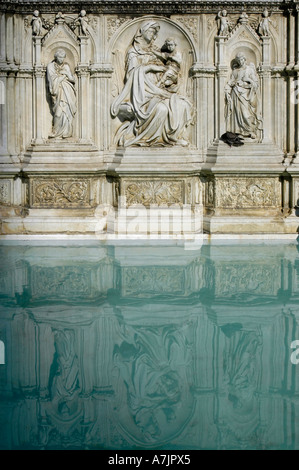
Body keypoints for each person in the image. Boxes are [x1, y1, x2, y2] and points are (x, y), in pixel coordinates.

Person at [111, 20, 193, 147]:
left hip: (158, 89)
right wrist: (149, 68)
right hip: (142, 92)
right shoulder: (133, 52)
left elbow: (169, 68)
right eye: (150, 30)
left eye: (155, 32)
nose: (153, 34)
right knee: (162, 108)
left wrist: (169, 78)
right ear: (142, 32)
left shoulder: (155, 50)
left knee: (182, 104)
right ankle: (148, 138)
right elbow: (131, 76)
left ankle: (174, 137)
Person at [224, 52, 262, 139]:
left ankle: (250, 130)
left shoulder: (249, 70)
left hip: (246, 95)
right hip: (236, 94)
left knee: (246, 114)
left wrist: (247, 80)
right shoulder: (235, 71)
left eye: (241, 59)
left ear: (244, 59)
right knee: (237, 114)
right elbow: (230, 82)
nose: (240, 61)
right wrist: (227, 91)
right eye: (238, 60)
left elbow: (255, 84)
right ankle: (240, 131)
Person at [46, 49, 77, 139]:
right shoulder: (51, 66)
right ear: (56, 57)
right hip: (58, 92)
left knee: (67, 112)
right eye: (59, 57)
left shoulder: (66, 66)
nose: (61, 59)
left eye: (63, 57)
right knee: (58, 113)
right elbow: (52, 80)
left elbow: (73, 79)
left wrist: (67, 73)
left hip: (68, 92)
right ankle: (56, 131)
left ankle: (67, 132)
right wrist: (64, 76)